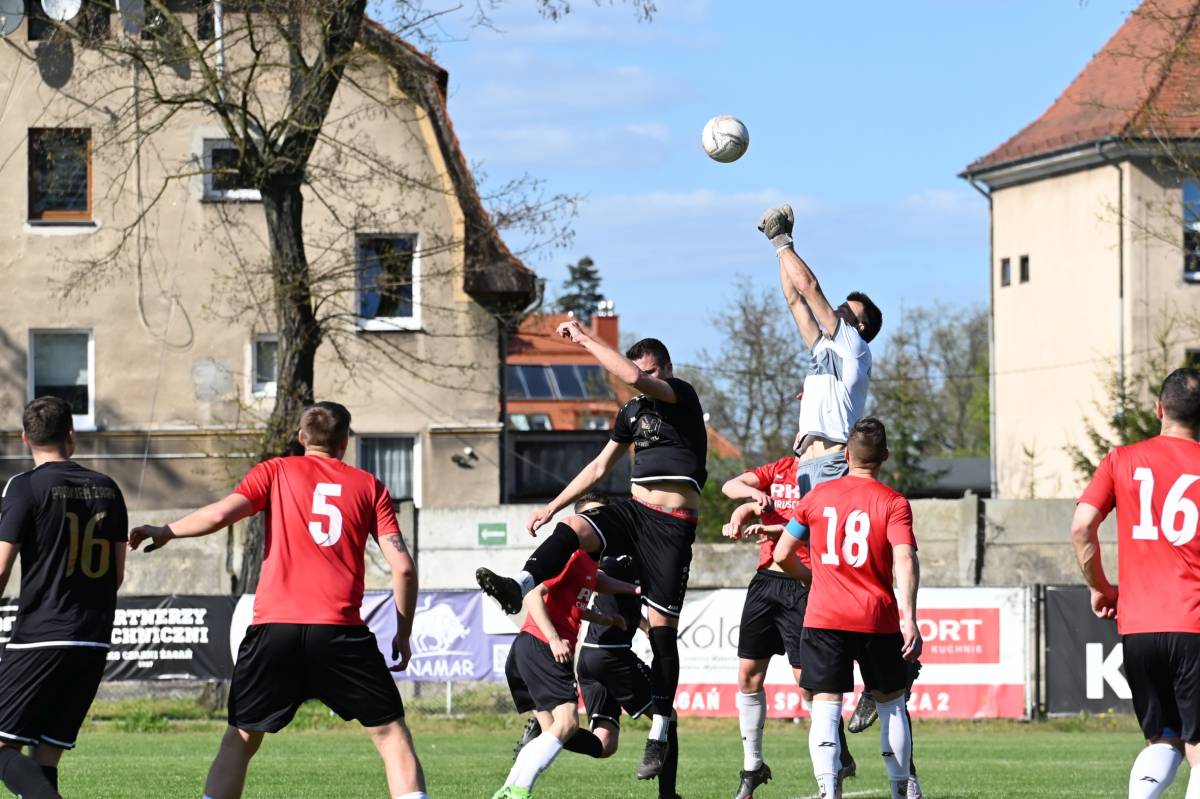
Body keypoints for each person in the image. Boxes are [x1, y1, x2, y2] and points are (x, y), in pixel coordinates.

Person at [129, 402, 427, 799]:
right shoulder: (370, 487)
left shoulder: (274, 471)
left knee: (240, 739)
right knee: (390, 733)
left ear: (301, 438)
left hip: (274, 629)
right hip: (339, 631)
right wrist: (403, 635)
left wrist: (167, 530)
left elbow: (219, 516)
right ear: (345, 442)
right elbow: (403, 568)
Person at [477, 328, 707, 779]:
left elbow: (632, 378)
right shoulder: (632, 413)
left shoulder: (681, 396)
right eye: (641, 371)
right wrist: (551, 507)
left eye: (652, 371)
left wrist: (584, 338)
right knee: (575, 526)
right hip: (636, 512)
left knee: (662, 632)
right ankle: (518, 585)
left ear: (667, 370)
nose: (644, 379)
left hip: (673, 526)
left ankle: (660, 728)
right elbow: (600, 466)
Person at [758, 203, 891, 733]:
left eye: (844, 310)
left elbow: (809, 287)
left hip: (834, 463)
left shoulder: (853, 346)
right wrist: (778, 254)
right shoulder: (822, 351)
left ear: (860, 326)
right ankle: (864, 674)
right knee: (828, 581)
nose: (833, 310)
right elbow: (795, 297)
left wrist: (783, 242)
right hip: (809, 466)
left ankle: (880, 673)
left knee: (844, 576)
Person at [773, 418, 921, 799]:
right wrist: (909, 619)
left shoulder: (816, 498)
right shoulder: (893, 502)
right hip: (877, 619)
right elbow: (905, 558)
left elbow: (782, 553)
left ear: (846, 455)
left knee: (825, 710)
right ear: (885, 456)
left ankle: (828, 791)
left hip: (824, 618)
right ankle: (900, 790)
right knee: (891, 706)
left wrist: (810, 579)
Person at [1071, 368, 1200, 799]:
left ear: (1159, 409)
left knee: (1163, 738)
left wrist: (1100, 587)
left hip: (1139, 627)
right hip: (1194, 623)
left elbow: (1082, 526)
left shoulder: (1121, 459)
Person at [0, 397, 129, 799]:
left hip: (41, 637)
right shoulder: (110, 489)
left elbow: (1, 568)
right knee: (46, 754)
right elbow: (116, 575)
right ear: (71, 436)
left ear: (24, 438)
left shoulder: (24, 486)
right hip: (93, 639)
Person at [513, 492, 681, 799]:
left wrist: (632, 620)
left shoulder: (592, 561)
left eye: (603, 514)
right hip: (609, 655)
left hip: (590, 656)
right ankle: (667, 796)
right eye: (591, 515)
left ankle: (544, 733)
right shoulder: (603, 555)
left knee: (604, 744)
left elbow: (593, 593)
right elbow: (536, 593)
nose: (599, 521)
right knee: (667, 715)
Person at [721, 457, 856, 799]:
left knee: (808, 685)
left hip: (803, 582)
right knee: (747, 676)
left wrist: (773, 529)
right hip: (766, 581)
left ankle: (836, 756)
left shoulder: (829, 474)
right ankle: (753, 767)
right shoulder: (780, 468)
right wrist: (747, 505)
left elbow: (818, 529)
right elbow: (730, 487)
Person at [494, 532, 640, 799]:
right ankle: (520, 789)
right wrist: (553, 639)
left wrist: (607, 618)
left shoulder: (589, 562)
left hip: (527, 648)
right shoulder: (572, 557)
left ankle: (506, 789)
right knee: (568, 723)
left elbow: (578, 600)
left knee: (553, 729)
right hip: (542, 645)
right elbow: (533, 595)